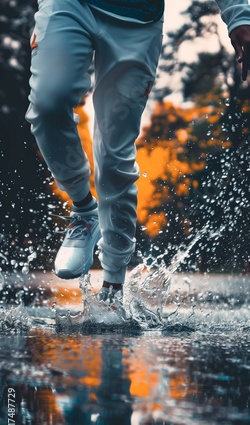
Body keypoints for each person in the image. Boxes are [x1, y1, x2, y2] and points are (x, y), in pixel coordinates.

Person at [26, 0, 250, 302]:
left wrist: (238, 13)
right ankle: (83, 210)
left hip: (137, 19)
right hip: (68, 5)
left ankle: (114, 282)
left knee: (115, 149)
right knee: (47, 104)